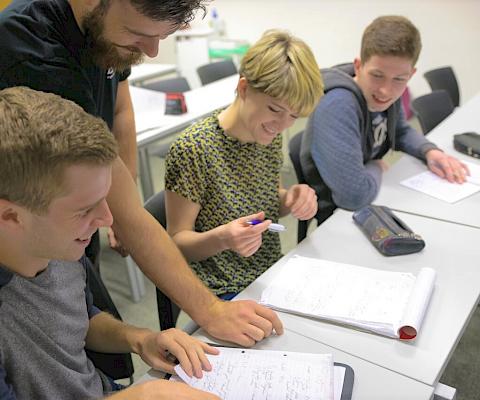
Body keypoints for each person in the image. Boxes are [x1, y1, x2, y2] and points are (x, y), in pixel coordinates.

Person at [0, 0, 283, 346]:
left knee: (79, 320)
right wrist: (211, 311)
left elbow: (120, 109)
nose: (152, 51)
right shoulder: (31, 51)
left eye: (163, 36)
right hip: (27, 255)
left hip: (69, 233)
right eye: (139, 34)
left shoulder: (104, 31)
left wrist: (124, 187)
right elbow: (127, 213)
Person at [0, 86, 221, 400]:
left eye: (103, 200)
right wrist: (144, 397)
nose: (106, 219)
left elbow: (81, 319)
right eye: (84, 209)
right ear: (10, 217)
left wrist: (140, 339)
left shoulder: (61, 243)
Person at [165, 30, 323, 297]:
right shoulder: (195, 149)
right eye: (275, 109)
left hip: (270, 272)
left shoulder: (266, 135)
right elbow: (177, 242)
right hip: (220, 287)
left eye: (294, 116)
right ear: (244, 88)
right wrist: (223, 239)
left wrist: (291, 198)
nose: (283, 125)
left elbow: (266, 202)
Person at [300, 15, 468, 225]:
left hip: (370, 197)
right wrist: (376, 165)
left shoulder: (385, 95)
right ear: (358, 65)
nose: (386, 90)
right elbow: (353, 197)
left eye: (399, 79)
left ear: (411, 74)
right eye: (377, 75)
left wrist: (429, 151)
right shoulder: (338, 106)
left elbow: (399, 131)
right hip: (336, 218)